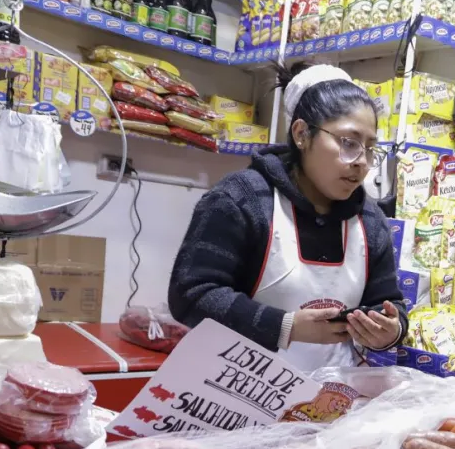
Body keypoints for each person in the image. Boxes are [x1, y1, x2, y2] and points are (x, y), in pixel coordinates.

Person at [169, 64, 407, 371]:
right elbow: (191, 295)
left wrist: (390, 329)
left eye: (370, 148)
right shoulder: (242, 199)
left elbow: (387, 301)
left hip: (331, 400)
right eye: (348, 143)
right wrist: (286, 326)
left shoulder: (370, 221)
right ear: (301, 134)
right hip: (236, 396)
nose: (361, 162)